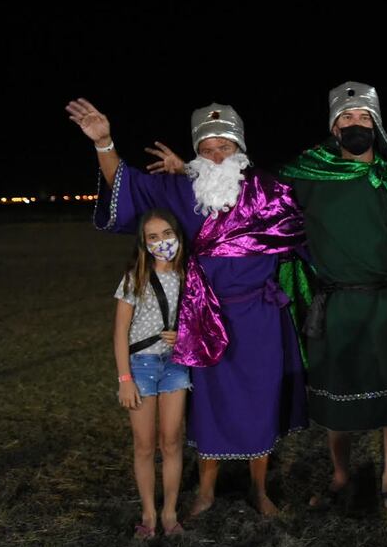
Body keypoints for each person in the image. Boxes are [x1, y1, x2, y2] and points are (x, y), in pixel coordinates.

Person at [66, 98, 307, 517]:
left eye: (224, 147)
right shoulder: (181, 190)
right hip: (203, 317)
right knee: (209, 405)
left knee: (260, 400)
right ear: (197, 152)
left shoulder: (269, 190)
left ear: (240, 148)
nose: (216, 156)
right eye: (207, 149)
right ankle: (206, 492)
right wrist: (104, 143)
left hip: (259, 318)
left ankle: (260, 488)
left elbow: (297, 239)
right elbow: (129, 185)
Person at [278, 82, 387, 514]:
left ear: (377, 125)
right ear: (333, 128)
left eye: (364, 118)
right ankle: (340, 474)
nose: (355, 124)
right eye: (346, 118)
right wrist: (194, 172)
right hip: (339, 304)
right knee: (338, 397)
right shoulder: (305, 176)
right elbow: (250, 196)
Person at [114, 208, 190, 538]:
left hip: (175, 365)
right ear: (144, 244)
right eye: (153, 238)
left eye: (167, 235)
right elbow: (120, 332)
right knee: (144, 445)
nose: (162, 243)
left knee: (171, 442)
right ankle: (148, 515)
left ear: (179, 235)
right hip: (140, 368)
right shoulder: (135, 278)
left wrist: (184, 335)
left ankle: (170, 513)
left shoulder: (190, 276)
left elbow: (202, 322)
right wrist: (125, 379)